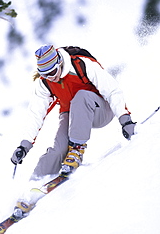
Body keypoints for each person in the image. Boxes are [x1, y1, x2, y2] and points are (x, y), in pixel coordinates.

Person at [11, 45, 136, 218]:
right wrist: (24, 146)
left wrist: (125, 119)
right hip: (72, 114)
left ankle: (77, 150)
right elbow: (35, 114)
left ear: (60, 62)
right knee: (58, 150)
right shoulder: (44, 83)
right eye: (46, 75)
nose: (52, 77)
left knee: (81, 97)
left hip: (100, 109)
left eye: (53, 71)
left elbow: (112, 90)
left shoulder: (81, 65)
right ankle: (30, 192)